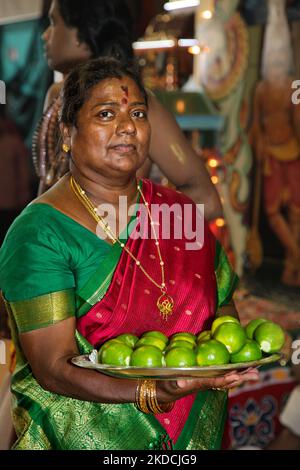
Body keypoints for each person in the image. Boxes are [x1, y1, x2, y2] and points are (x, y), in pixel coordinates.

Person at [0, 58, 259, 450]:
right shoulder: (40, 234)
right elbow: (53, 369)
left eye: (138, 113)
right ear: (68, 132)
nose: (127, 126)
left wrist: (229, 357)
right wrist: (151, 392)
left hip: (196, 427)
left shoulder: (181, 213)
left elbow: (222, 310)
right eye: (106, 113)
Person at [33, 0, 222, 221]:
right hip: (54, 247)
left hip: (114, 252)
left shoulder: (137, 105)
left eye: (54, 23)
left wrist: (131, 232)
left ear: (82, 34)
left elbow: (206, 201)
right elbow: (47, 187)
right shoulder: (56, 97)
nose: (45, 35)